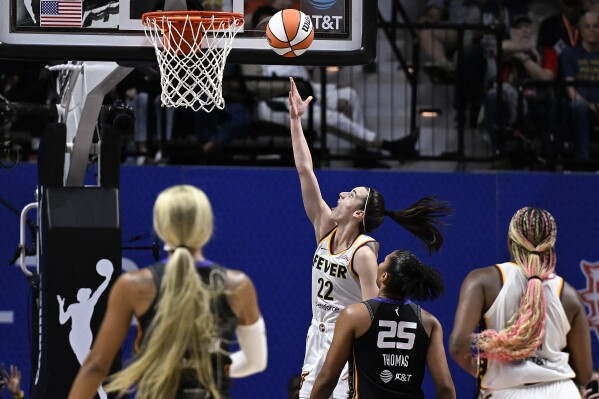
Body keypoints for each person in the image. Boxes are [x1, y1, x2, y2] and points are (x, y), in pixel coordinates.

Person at [288, 77, 453, 399]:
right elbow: (304, 170)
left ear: (359, 214)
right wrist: (296, 121)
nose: (341, 194)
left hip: (346, 341)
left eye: (350, 195)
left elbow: (373, 312)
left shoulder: (364, 253)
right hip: (317, 336)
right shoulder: (325, 227)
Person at [67, 185, 267, 399]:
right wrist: (207, 367)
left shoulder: (134, 285)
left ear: (160, 227)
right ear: (206, 227)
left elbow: (96, 367)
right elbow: (256, 362)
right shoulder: (237, 285)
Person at [449, 207, 593, 398]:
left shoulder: (481, 281)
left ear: (510, 242)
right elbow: (584, 375)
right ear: (550, 248)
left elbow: (458, 346)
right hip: (562, 392)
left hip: (506, 392)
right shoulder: (569, 295)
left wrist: (489, 372)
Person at [310, 249, 456, 399]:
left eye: (384, 260)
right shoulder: (429, 322)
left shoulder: (353, 315)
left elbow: (327, 379)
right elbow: (445, 387)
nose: (379, 263)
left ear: (385, 276)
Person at [483, 14, 557, 157]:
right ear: (511, 32)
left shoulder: (547, 51)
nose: (524, 30)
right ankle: (498, 153)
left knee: (553, 101)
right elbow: (498, 48)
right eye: (518, 28)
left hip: (538, 99)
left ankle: (546, 154)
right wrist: (525, 49)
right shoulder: (506, 51)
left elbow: (546, 77)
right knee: (493, 98)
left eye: (527, 26)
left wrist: (524, 59)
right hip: (510, 102)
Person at [560, 11, 599, 160]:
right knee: (579, 108)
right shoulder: (569, 54)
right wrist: (589, 105)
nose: (592, 30)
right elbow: (570, 89)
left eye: (596, 26)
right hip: (580, 105)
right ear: (581, 31)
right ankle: (582, 161)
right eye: (588, 26)